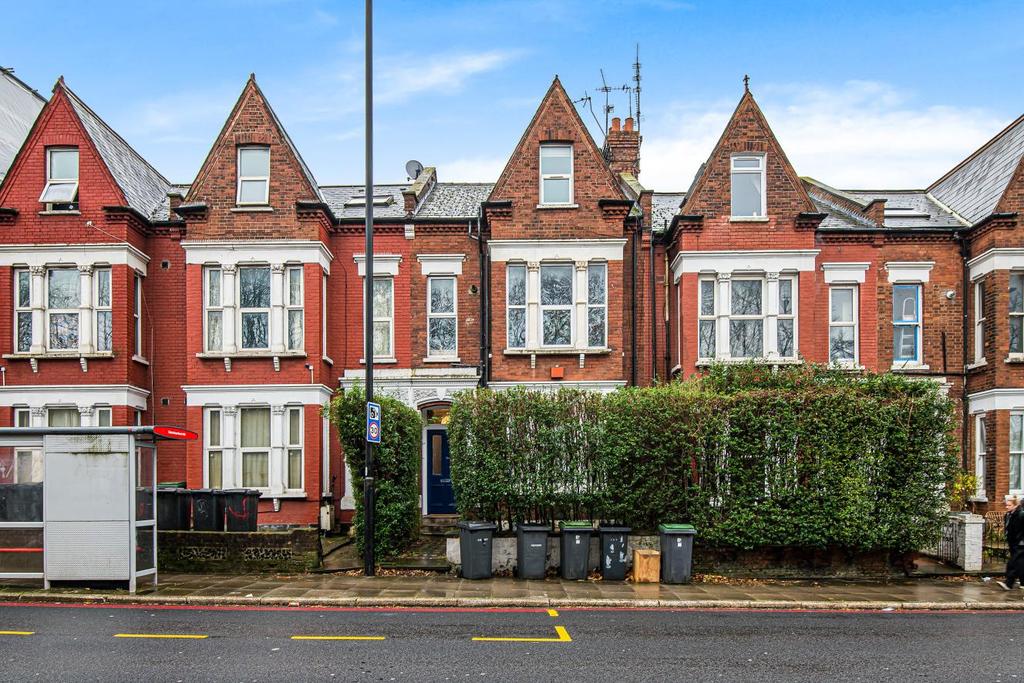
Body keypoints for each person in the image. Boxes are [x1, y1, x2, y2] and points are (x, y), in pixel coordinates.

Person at [997, 494, 1024, 590]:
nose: (1007, 507)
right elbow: (1008, 528)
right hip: (1013, 542)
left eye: (1009, 505)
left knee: (1012, 563)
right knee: (1020, 563)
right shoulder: (1008, 515)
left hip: (1020, 543)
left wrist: (1021, 540)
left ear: (1015, 505)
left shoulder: (1021, 514)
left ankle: (1008, 584)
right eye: (1006, 505)